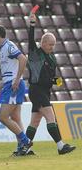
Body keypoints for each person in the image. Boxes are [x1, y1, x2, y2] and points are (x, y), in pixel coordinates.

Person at [25, 13, 76, 155]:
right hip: (37, 90)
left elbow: (49, 77)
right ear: (43, 43)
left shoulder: (52, 57)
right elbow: (30, 41)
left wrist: (55, 81)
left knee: (34, 122)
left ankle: (25, 147)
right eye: (50, 44)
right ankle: (61, 146)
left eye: (54, 44)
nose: (52, 47)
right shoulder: (35, 54)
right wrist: (32, 25)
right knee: (50, 116)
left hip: (44, 91)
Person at [0, 24, 32, 156]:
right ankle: (23, 148)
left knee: (2, 117)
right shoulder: (2, 49)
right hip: (9, 84)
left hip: (14, 86)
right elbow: (9, 72)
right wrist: (0, 87)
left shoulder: (8, 46)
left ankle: (25, 141)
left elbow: (23, 58)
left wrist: (17, 79)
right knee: (15, 117)